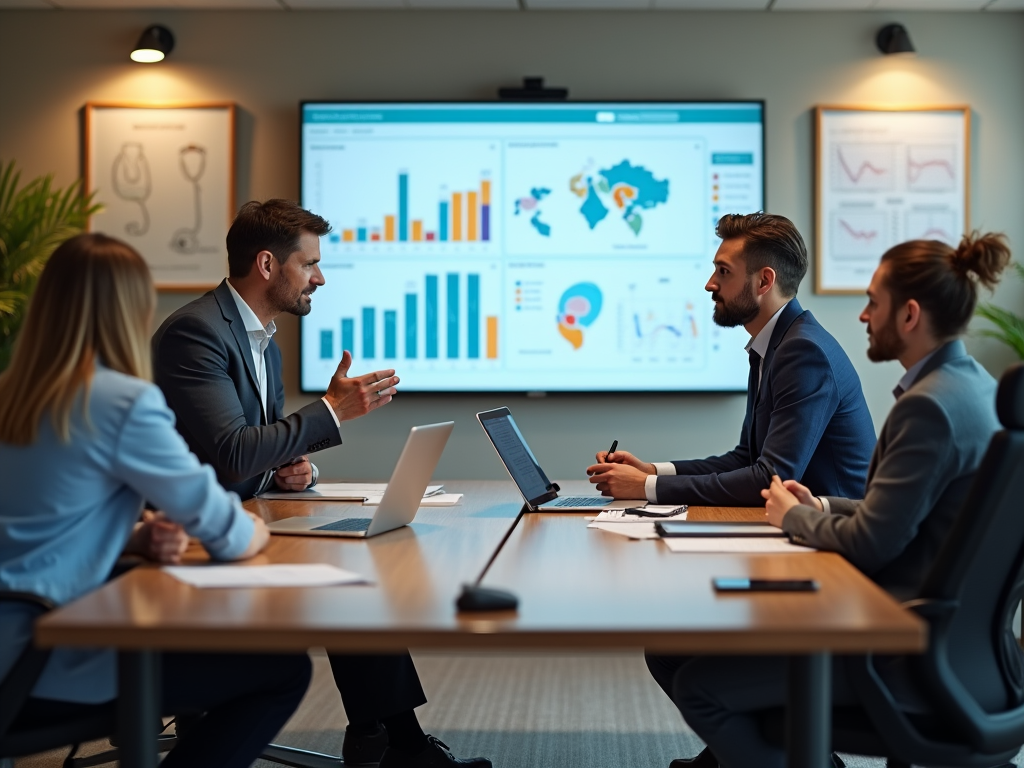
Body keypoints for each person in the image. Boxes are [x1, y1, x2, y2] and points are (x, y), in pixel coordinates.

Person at [152, 198, 490, 768]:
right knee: (347, 582)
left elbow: (255, 447)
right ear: (267, 265)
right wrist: (330, 411)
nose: (319, 276)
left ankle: (386, 741)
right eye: (309, 264)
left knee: (353, 574)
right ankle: (392, 746)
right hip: (194, 542)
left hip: (247, 522)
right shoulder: (196, 333)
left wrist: (294, 469)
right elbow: (234, 454)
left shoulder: (261, 338)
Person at [671, 232, 1012, 768]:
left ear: (909, 315)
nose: (862, 316)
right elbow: (915, 517)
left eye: (874, 302)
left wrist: (798, 516)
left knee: (701, 685)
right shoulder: (978, 389)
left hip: (897, 649)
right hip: (972, 654)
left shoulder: (928, 409)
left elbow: (874, 543)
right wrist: (824, 508)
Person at [0, 233, 311, 768]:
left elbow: (39, 516)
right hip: (40, 656)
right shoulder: (122, 402)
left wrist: (137, 532)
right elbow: (231, 536)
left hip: (15, 640)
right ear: (130, 309)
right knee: (284, 670)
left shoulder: (11, 392)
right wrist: (255, 527)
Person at [586, 212, 875, 508]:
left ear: (764, 281)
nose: (710, 284)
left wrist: (645, 487)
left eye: (723, 272)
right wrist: (651, 471)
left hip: (835, 540)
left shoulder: (803, 352)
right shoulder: (775, 344)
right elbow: (746, 458)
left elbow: (768, 480)